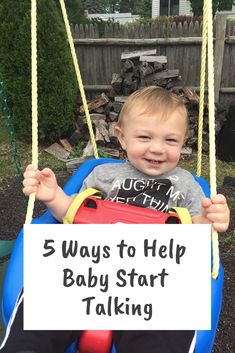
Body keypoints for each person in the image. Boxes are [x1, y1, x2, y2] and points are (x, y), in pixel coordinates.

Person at [0, 86, 230, 353]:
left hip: (154, 280)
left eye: (170, 141)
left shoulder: (187, 185)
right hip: (89, 271)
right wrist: (54, 196)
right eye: (144, 137)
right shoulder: (104, 175)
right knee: (43, 303)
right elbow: (74, 213)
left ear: (183, 142)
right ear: (122, 137)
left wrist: (209, 220)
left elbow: (195, 236)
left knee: (167, 325)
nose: (157, 148)